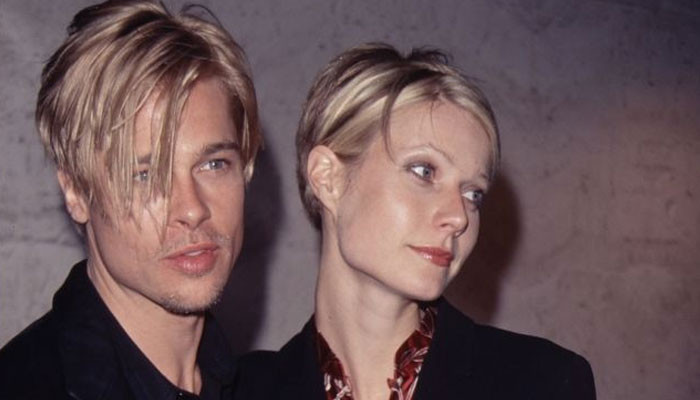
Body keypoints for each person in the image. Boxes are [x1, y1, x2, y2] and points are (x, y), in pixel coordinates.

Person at [234, 43, 595, 399]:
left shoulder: (544, 382)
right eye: (424, 171)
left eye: (473, 194)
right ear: (328, 178)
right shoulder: (239, 390)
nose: (458, 217)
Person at [0, 1, 261, 399]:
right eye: (144, 175)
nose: (192, 209)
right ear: (76, 192)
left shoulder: (263, 383)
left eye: (213, 164)